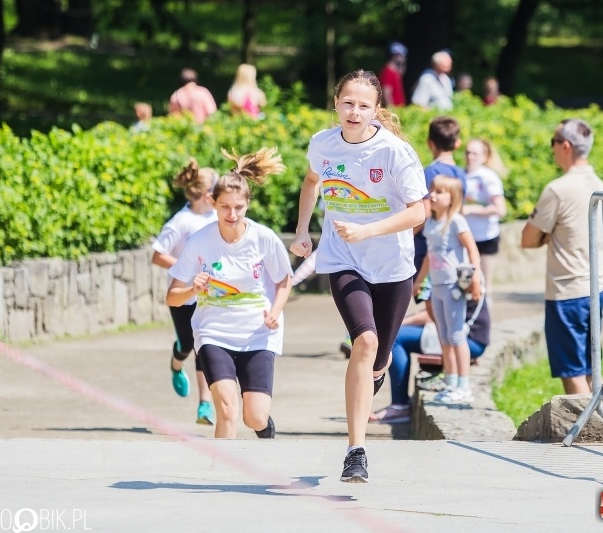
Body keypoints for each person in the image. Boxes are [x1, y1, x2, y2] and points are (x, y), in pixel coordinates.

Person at [289, 69, 426, 482]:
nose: (354, 111)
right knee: (363, 342)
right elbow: (312, 181)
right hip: (343, 258)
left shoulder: (394, 152)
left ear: (376, 110)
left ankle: (378, 370)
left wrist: (369, 230)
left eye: (364, 105)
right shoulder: (323, 144)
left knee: (379, 354)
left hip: (392, 266)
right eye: (348, 102)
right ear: (336, 103)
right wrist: (302, 230)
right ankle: (356, 450)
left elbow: (419, 212)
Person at [166, 147, 293, 439]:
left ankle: (265, 427)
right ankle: (221, 474)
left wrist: (274, 313)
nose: (232, 214)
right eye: (225, 207)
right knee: (227, 409)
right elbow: (172, 297)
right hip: (214, 334)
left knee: (255, 417)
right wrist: (192, 288)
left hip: (258, 334)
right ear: (212, 203)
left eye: (238, 207)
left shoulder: (263, 239)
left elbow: (285, 281)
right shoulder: (199, 242)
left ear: (247, 204)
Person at [520, 118, 603, 395]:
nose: (552, 149)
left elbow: (528, 238)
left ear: (566, 146)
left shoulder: (558, 189)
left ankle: (587, 430)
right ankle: (601, 424)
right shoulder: (602, 186)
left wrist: (549, 235)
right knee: (592, 367)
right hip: (597, 287)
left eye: (553, 143)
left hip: (566, 291)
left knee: (572, 372)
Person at [152, 159, 219, 425]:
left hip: (207, 296)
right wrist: (186, 269)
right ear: (206, 195)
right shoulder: (181, 222)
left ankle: (205, 405)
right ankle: (176, 361)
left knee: (204, 346)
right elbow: (157, 255)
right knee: (187, 345)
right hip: (182, 295)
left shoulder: (217, 216)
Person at [369, 295, 490, 423]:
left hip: (469, 338)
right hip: (468, 335)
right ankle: (400, 403)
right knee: (398, 333)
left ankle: (400, 405)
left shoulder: (434, 276)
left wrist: (394, 325)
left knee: (396, 338)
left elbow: (433, 315)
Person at [414, 176, 481, 403]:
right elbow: (429, 258)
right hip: (437, 285)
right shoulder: (431, 224)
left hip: (454, 286)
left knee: (455, 335)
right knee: (443, 335)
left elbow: (472, 251)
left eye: (439, 192)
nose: (432, 195)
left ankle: (464, 385)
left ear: (452, 198)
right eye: (432, 190)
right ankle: (451, 381)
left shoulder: (456, 222)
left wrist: (476, 278)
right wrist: (419, 281)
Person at [414, 117, 467, 276]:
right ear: (457, 143)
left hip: (429, 242)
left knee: (428, 293)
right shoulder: (461, 173)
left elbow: (426, 211)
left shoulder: (430, 172)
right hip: (452, 239)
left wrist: (407, 235)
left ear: (430, 143)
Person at [463, 138, 509, 294]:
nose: (470, 157)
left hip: (486, 238)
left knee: (484, 285)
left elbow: (500, 209)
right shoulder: (461, 175)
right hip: (467, 238)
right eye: (468, 152)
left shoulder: (488, 177)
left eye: (475, 153)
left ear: (484, 156)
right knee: (467, 285)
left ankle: (484, 316)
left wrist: (472, 209)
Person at [377, 42, 408, 107]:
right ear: (394, 56)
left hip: (398, 109)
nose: (403, 57)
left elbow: (402, 73)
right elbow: (386, 92)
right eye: (401, 55)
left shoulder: (394, 72)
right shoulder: (388, 72)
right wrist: (391, 109)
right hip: (393, 111)